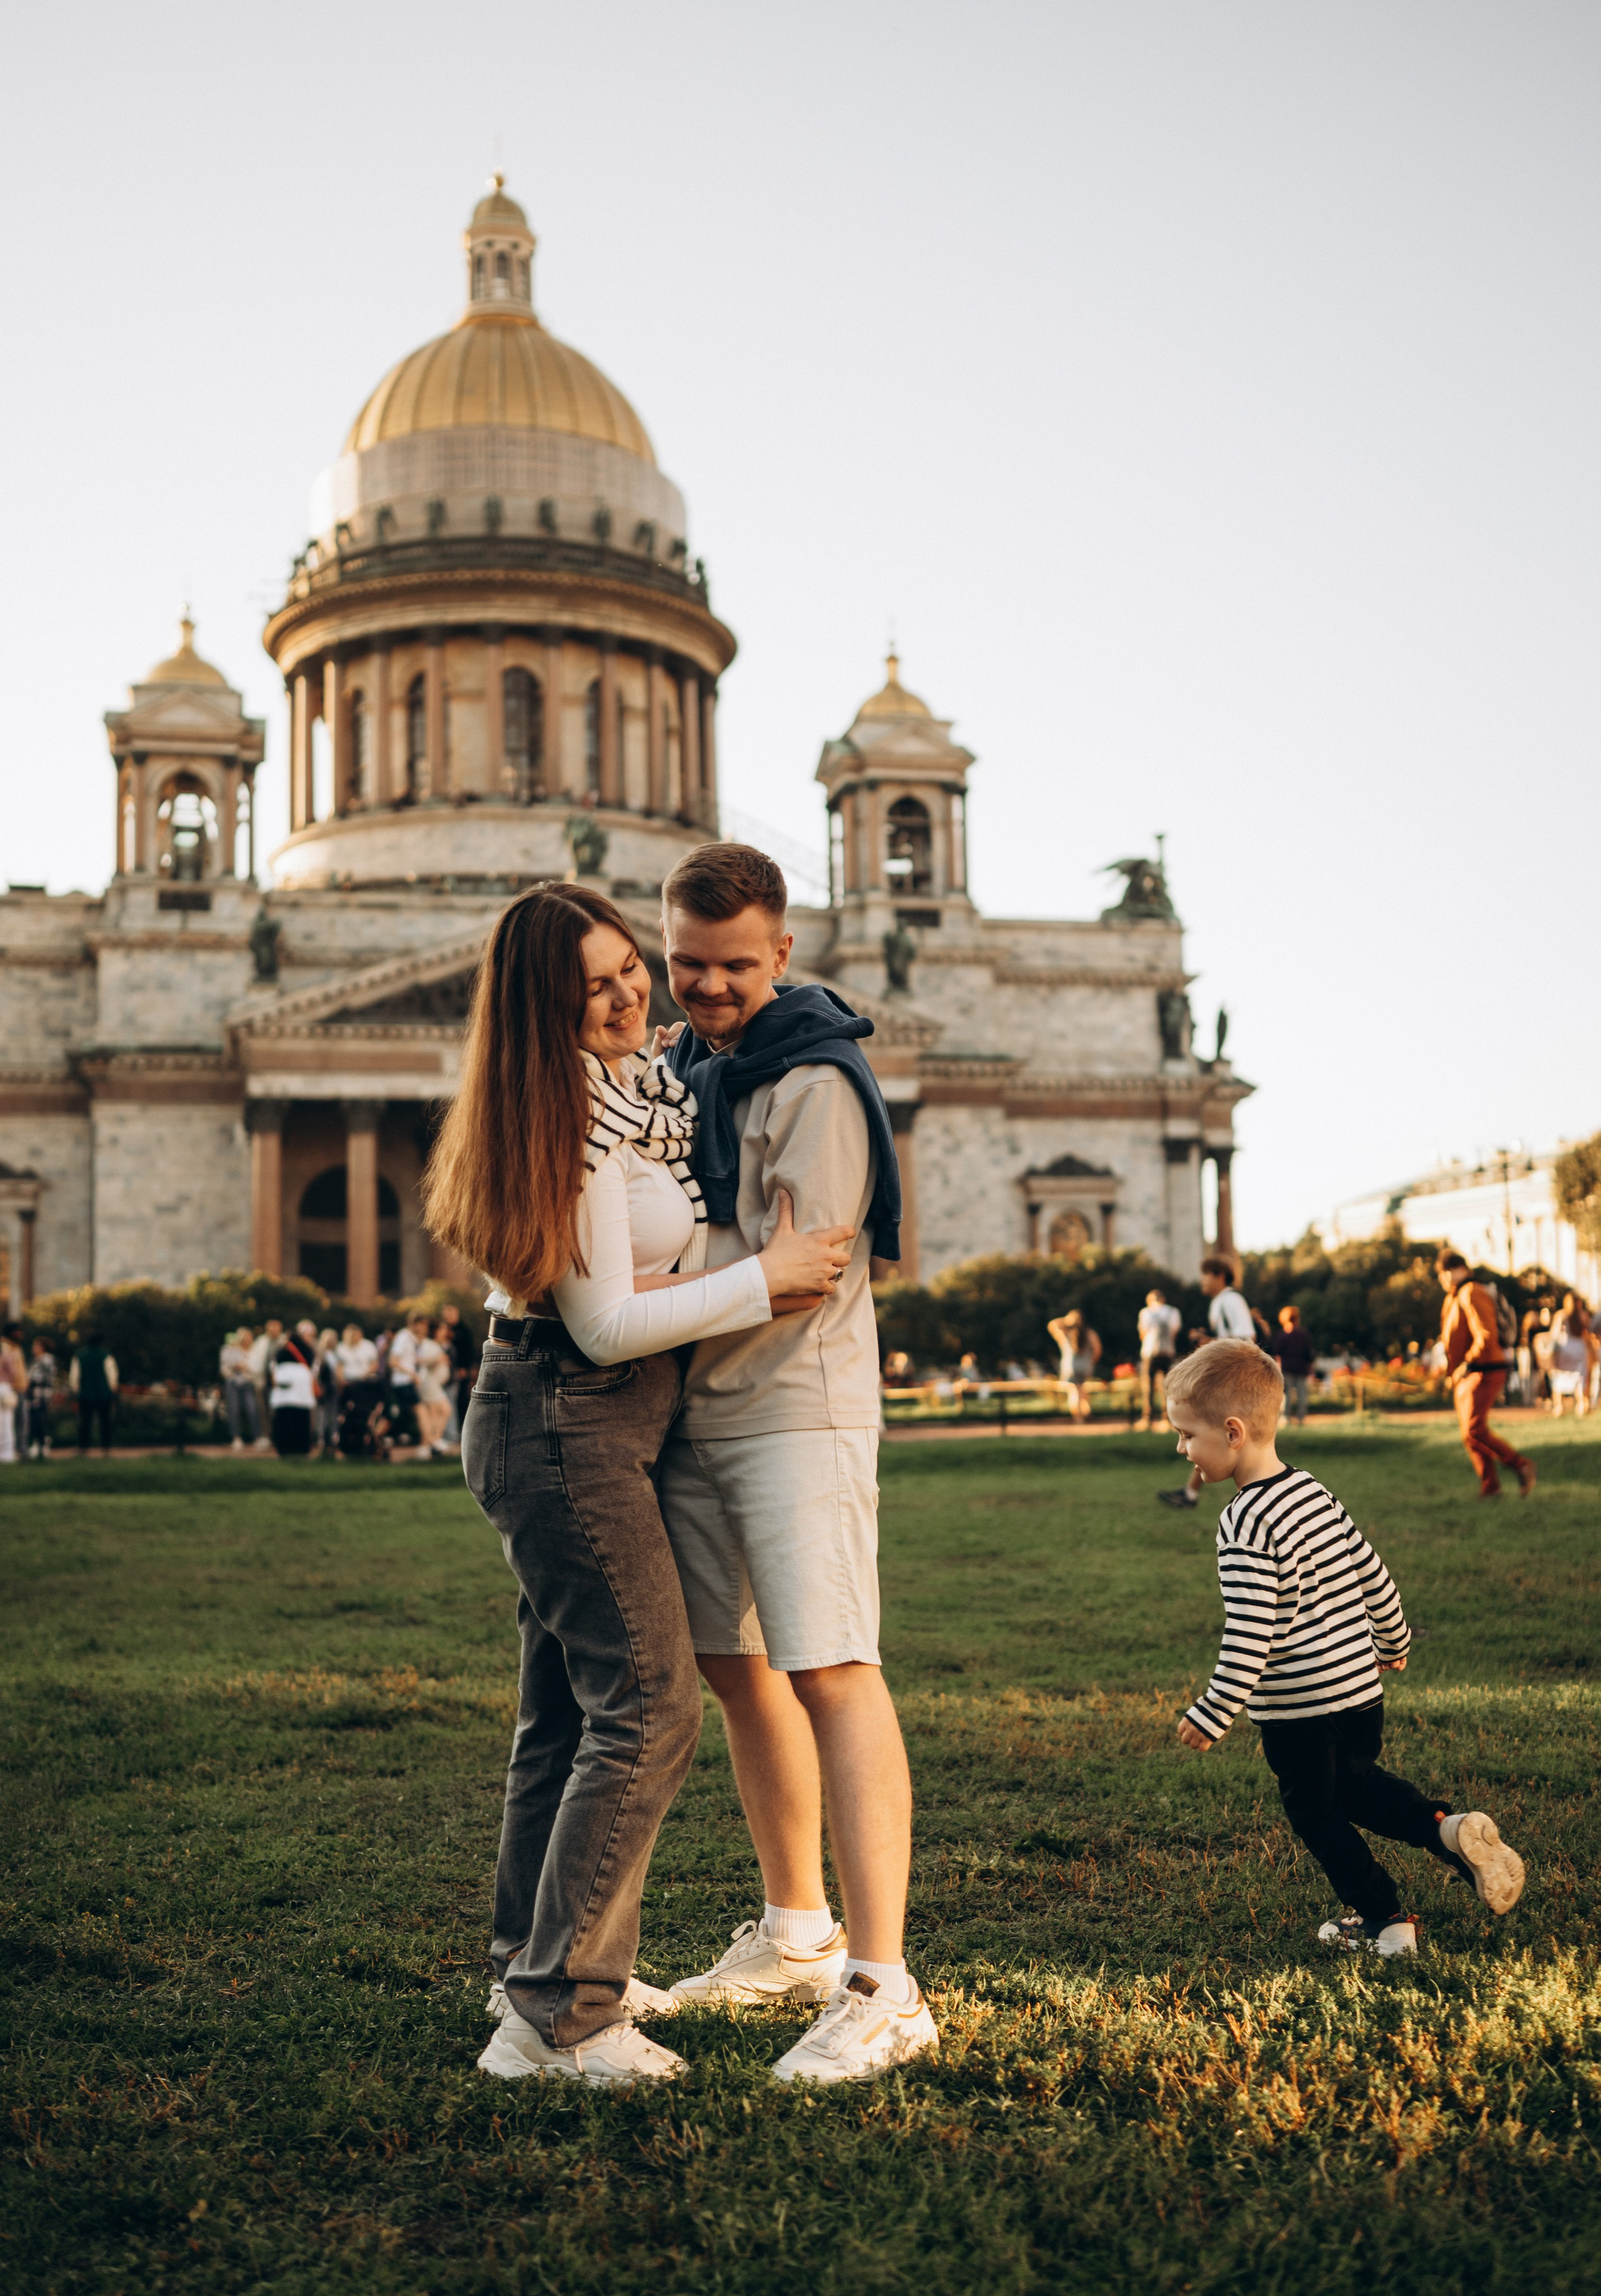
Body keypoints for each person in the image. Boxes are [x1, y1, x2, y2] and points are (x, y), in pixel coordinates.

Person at [422, 881, 852, 2089]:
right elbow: (607, 1321)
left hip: (577, 1419)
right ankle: (560, 2017)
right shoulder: (569, 1113)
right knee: (650, 1704)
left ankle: (535, 1963)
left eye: (629, 970)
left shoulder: (630, 1090)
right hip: (570, 1413)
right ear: (541, 1007)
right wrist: (766, 1275)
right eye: (591, 984)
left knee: (563, 1716)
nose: (626, 997)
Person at [655, 843, 940, 2085]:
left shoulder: (814, 1075)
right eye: (685, 963)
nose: (707, 986)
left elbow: (804, 1263)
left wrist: (626, 1300)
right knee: (735, 1665)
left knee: (831, 1666)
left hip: (793, 1409)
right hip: (695, 1408)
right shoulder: (686, 1068)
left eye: (731, 965)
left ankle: (884, 1982)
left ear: (780, 954)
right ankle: (795, 1932)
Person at [1170, 1338, 1527, 1954]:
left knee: (1316, 1814)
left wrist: (1213, 1710)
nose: (1181, 1450)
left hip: (1300, 1710)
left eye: (1185, 1434)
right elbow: (1373, 1572)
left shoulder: (1244, 1519)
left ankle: (1385, 1920)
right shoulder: (1312, 1490)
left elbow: (1252, 1629)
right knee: (1356, 1788)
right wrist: (1392, 1637)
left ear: (1231, 1431)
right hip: (1360, 1693)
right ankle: (1449, 1829)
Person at [1158, 1258, 1256, 1510]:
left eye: (1205, 1275)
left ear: (1220, 1275)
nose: (1202, 1281)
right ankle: (1191, 1493)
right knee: (1212, 1435)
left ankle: (1254, 1495)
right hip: (1228, 1376)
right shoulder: (1219, 1302)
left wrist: (1210, 1342)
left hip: (1234, 1378)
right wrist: (1208, 1340)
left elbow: (1247, 1338)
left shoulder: (1231, 1300)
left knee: (1218, 1435)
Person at [1436, 1253, 1535, 1499]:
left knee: (1474, 1429)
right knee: (1469, 1434)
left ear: (1457, 1269)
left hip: (1484, 1368)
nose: (1442, 1279)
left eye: (1444, 1272)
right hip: (1467, 1372)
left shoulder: (1472, 1292)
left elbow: (1486, 1335)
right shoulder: (1455, 1297)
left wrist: (1467, 1364)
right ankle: (1491, 1488)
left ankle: (1521, 1464)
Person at [1136, 1287, 1181, 1430]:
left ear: (1150, 1300)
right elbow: (1175, 1332)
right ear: (1163, 1299)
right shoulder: (1173, 1312)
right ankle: (1167, 1418)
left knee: (1148, 1385)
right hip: (1167, 1351)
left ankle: (1147, 1418)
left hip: (1150, 1351)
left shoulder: (1145, 1312)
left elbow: (1142, 1333)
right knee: (1167, 1386)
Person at [269, 1325, 317, 1455]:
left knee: (284, 1420)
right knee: (301, 1419)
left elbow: (273, 1368)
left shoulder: (281, 1350)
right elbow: (314, 1368)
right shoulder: (307, 1350)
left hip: (283, 1390)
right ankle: (301, 1448)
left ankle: (284, 1447)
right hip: (302, 1388)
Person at [1045, 1307, 1101, 1422]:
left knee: (1074, 1391)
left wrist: (1066, 1320)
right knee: (1082, 1389)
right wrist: (1092, 1362)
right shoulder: (1090, 1333)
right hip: (1086, 1367)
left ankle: (1079, 1417)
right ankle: (1086, 1412)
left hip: (1071, 1367)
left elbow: (1052, 1325)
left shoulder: (1066, 1334)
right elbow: (1098, 1349)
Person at [70, 1330, 118, 1455]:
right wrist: (112, 1391)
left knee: (85, 1422)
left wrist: (77, 1391)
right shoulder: (106, 1355)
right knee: (105, 1422)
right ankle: (106, 1447)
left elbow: (74, 1377)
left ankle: (83, 1448)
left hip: (85, 1394)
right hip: (103, 1394)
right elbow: (112, 1376)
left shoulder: (80, 1356)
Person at [413, 1320, 454, 1457]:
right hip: (430, 1383)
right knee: (445, 1409)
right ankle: (434, 1441)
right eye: (442, 1330)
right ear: (435, 1331)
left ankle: (425, 1446)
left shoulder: (436, 1345)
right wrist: (439, 1360)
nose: (445, 1333)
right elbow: (422, 1361)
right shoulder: (428, 1344)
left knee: (433, 1415)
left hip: (435, 1384)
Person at [1548, 1294, 1590, 1419]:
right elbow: (1588, 1333)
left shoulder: (1561, 1315)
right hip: (1579, 1348)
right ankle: (1581, 1405)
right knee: (1580, 1377)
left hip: (1565, 1347)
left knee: (1559, 1376)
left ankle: (1559, 1406)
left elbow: (1554, 1334)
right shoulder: (1582, 1315)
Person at [387, 1313, 425, 1450]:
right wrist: (412, 1374)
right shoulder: (404, 1337)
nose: (425, 1329)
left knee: (397, 1416)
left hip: (406, 1381)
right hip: (403, 1382)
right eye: (423, 1325)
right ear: (416, 1324)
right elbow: (393, 1361)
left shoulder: (412, 1339)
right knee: (421, 1410)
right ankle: (426, 1444)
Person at [220, 1327, 261, 1450]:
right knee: (234, 1410)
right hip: (233, 1383)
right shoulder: (229, 1349)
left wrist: (246, 1368)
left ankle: (257, 1437)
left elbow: (257, 1368)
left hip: (249, 1383)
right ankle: (236, 1438)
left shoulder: (255, 1350)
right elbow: (224, 1367)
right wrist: (233, 1370)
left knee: (252, 1409)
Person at [1274, 1304, 1316, 1425]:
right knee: (1302, 1394)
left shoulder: (1282, 1335)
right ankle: (1301, 1418)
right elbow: (1309, 1352)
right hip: (1302, 1368)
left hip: (1287, 1368)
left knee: (1286, 1395)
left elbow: (1277, 1353)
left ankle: (1286, 1417)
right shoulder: (1304, 1334)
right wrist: (1310, 1365)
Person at [247, 1318, 282, 1449]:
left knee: (276, 1410)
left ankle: (278, 1436)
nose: (273, 1330)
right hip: (263, 1380)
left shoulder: (284, 1342)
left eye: (276, 1327)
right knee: (264, 1410)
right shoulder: (261, 1342)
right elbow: (254, 1360)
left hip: (278, 1380)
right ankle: (266, 1436)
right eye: (271, 1327)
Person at [24, 1336, 57, 1458]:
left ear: (42, 1347)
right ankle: (39, 1442)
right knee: (33, 1420)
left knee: (39, 1419)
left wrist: (28, 1380)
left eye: (36, 1345)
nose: (34, 1348)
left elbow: (45, 1377)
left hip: (41, 1395)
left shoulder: (47, 1360)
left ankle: (42, 1443)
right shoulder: (35, 1360)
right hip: (33, 1396)